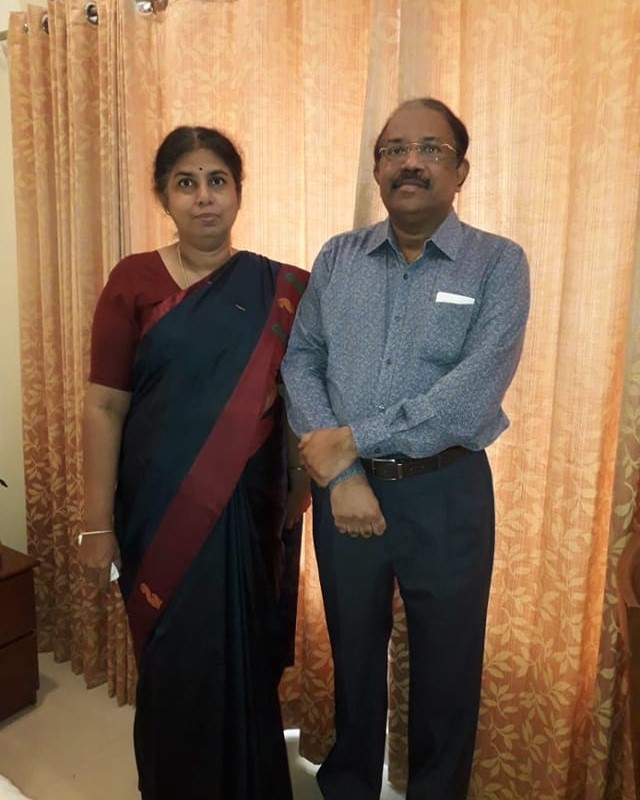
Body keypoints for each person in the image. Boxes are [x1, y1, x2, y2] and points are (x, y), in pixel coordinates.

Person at [281, 97, 530, 800]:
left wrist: (350, 443)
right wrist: (344, 476)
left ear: (460, 170)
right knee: (354, 655)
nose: (411, 162)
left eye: (430, 149)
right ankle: (350, 786)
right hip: (347, 493)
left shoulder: (497, 263)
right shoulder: (338, 257)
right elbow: (301, 359)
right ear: (377, 169)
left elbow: (471, 394)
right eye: (394, 150)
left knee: (448, 668)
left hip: (446, 493)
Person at [78, 125, 310, 800]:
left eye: (217, 181)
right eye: (186, 183)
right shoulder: (133, 281)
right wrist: (96, 524)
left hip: (249, 510)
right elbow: (104, 406)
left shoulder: (280, 289)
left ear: (238, 192)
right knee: (174, 663)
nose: (203, 197)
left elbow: (302, 399)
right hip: (158, 511)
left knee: (245, 659)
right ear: (164, 196)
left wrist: (301, 490)